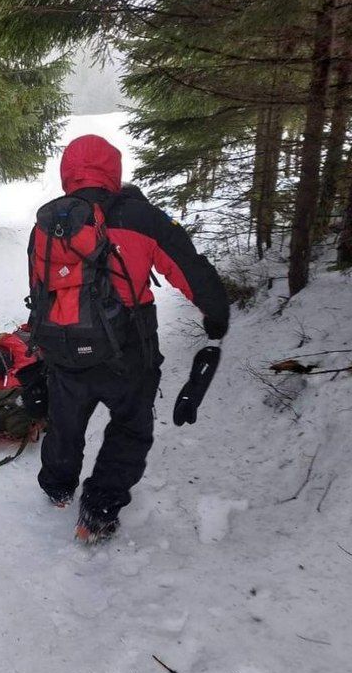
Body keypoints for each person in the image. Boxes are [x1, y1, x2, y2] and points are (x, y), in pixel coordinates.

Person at [29, 134, 229, 541]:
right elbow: (189, 269)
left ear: (68, 172)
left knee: (66, 422)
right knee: (130, 427)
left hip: (66, 349)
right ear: (113, 169)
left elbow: (39, 291)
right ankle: (99, 509)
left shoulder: (49, 225)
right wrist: (216, 315)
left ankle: (57, 486)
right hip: (128, 352)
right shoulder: (142, 217)